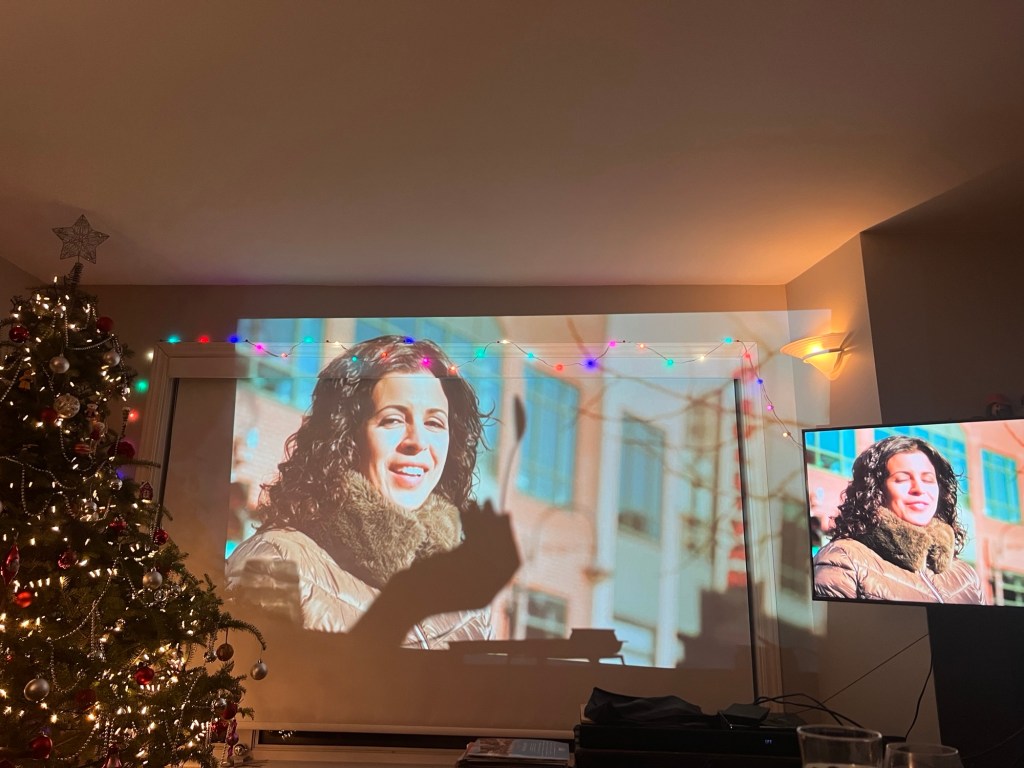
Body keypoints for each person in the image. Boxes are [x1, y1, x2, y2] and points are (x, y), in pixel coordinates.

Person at [225, 334, 498, 645]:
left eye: (435, 423)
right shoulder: (275, 563)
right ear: (345, 437)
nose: (418, 442)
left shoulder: (466, 599)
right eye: (393, 420)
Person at [813, 434, 985, 604]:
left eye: (928, 480)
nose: (919, 489)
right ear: (876, 492)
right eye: (902, 479)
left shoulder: (966, 576)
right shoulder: (843, 559)